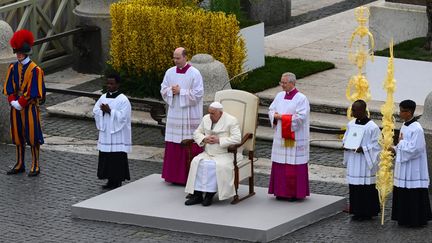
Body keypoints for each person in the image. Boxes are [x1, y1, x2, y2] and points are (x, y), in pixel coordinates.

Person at [3, 29, 46, 177]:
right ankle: (20, 163)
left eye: (20, 52)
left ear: (26, 53)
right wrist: (12, 101)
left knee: (33, 136)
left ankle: (35, 164)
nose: (18, 55)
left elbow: (35, 91)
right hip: (16, 107)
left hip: (30, 108)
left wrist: (21, 103)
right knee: (18, 135)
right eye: (17, 52)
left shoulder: (36, 70)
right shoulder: (13, 67)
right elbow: (9, 88)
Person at [160, 47, 204, 185]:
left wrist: (181, 91)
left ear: (185, 57)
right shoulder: (169, 72)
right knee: (174, 143)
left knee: (188, 142)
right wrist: (170, 91)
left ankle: (188, 176)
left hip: (190, 114)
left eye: (178, 58)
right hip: (175, 112)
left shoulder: (194, 73)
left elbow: (198, 93)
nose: (175, 61)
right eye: (174, 58)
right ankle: (173, 176)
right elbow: (163, 88)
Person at [184, 102, 241, 206]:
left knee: (215, 166)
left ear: (220, 112)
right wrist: (204, 138)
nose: (210, 115)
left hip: (224, 154)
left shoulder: (231, 120)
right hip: (207, 152)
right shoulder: (206, 118)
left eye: (213, 113)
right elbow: (197, 132)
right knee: (196, 162)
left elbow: (237, 138)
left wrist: (219, 140)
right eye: (209, 112)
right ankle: (197, 195)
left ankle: (209, 195)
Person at [268, 72, 310, 201]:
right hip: (280, 135)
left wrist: (282, 117)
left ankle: (293, 193)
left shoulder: (301, 98)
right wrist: (274, 115)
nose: (282, 85)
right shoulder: (279, 96)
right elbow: (271, 109)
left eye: (284, 83)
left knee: (293, 164)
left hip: (294, 136)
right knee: (280, 163)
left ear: (292, 83)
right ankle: (280, 191)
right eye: (281, 82)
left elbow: (301, 117)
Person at [390, 99, 432, 227]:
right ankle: (403, 218)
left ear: (409, 112)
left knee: (412, 193)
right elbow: (403, 145)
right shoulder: (404, 125)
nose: (400, 113)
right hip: (403, 166)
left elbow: (416, 149)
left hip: (413, 168)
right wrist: (395, 148)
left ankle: (415, 219)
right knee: (403, 192)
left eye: (403, 111)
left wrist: (401, 144)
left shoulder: (417, 129)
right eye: (400, 110)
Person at [343, 100, 380, 220]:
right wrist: (345, 144)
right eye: (352, 109)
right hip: (354, 160)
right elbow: (346, 138)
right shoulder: (351, 124)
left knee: (365, 187)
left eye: (354, 110)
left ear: (363, 110)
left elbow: (377, 145)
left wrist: (363, 149)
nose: (352, 112)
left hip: (365, 163)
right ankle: (356, 211)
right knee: (354, 186)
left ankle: (367, 212)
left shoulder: (372, 127)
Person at [93, 74, 132, 189]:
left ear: (117, 85)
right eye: (108, 83)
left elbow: (124, 117)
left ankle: (117, 180)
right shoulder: (103, 97)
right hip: (106, 133)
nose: (109, 86)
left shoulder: (123, 100)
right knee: (106, 157)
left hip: (117, 135)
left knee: (116, 158)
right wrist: (102, 112)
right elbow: (95, 111)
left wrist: (110, 111)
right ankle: (110, 180)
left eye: (112, 84)